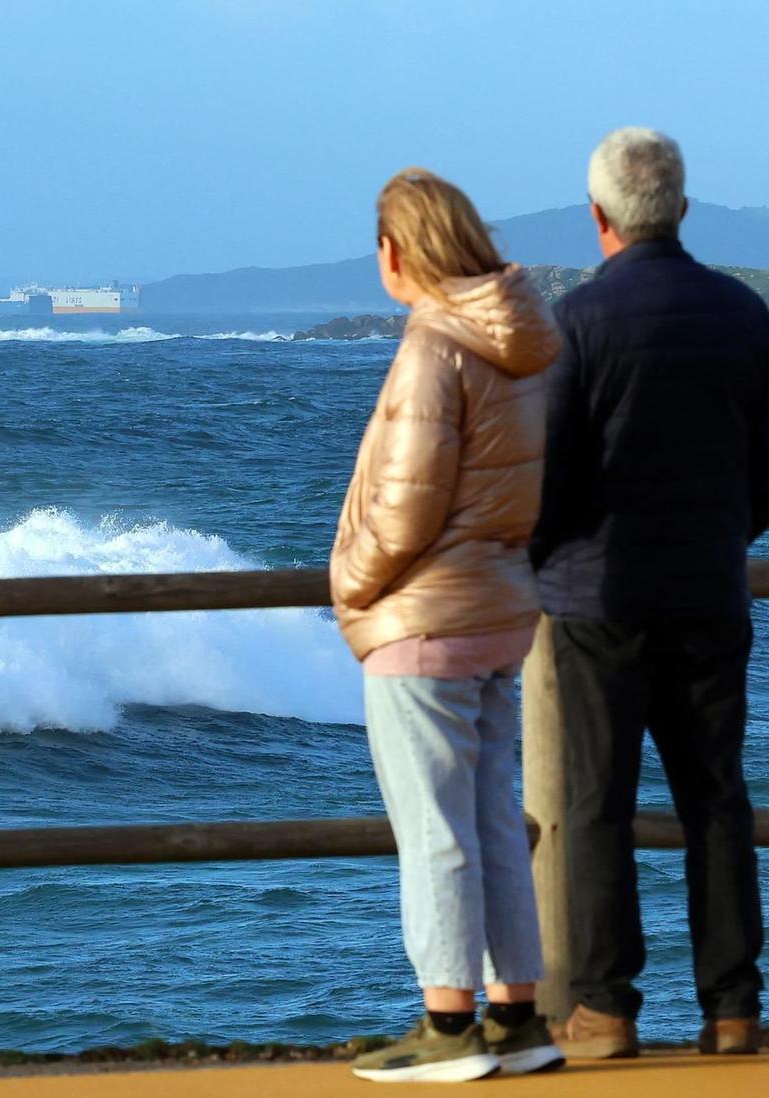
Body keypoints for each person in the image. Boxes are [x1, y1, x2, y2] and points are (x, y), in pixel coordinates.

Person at [530, 126, 768, 1059]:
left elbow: (547, 474)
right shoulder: (744, 316)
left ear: (599, 219)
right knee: (718, 799)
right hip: (710, 588)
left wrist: (547, 557)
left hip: (597, 599)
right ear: (683, 210)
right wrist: (725, 532)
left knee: (597, 804)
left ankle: (604, 1008)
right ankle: (734, 1006)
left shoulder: (579, 321)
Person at [331, 168, 566, 1082]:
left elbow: (406, 508)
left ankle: (449, 1025)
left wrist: (350, 582)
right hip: (499, 609)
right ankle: (518, 1018)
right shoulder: (517, 344)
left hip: (424, 619)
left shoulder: (435, 346)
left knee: (435, 828)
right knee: (492, 821)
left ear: (398, 251)